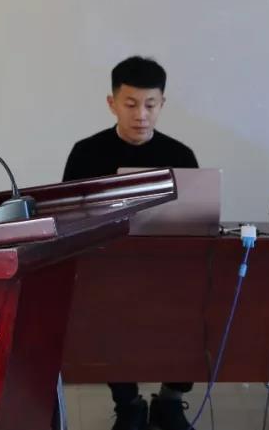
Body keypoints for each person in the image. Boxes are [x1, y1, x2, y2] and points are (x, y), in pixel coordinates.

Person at [63, 56, 198, 430]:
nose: (141, 115)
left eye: (150, 105)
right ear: (112, 104)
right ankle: (128, 404)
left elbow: (195, 219)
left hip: (167, 270)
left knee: (198, 302)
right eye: (131, 104)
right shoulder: (87, 153)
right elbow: (69, 218)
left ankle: (171, 400)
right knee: (106, 308)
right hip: (106, 270)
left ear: (162, 104)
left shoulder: (180, 156)